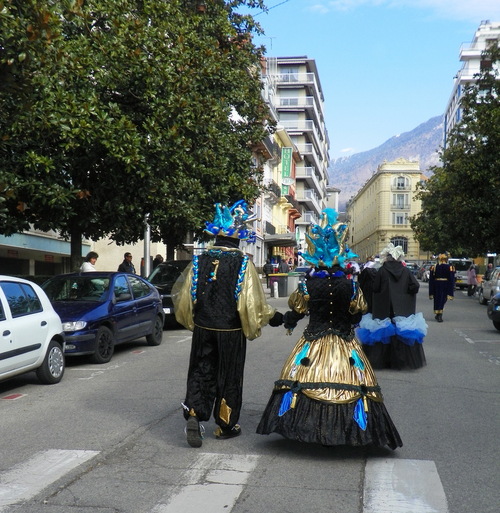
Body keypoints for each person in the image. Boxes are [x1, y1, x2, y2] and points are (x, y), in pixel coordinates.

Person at [257, 208, 402, 450]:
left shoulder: (308, 286)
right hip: (345, 342)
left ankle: (307, 428)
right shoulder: (351, 287)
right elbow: (359, 311)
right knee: (354, 381)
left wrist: (286, 320)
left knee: (302, 379)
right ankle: (347, 430)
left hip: (313, 341)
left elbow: (298, 312)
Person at [172, 200, 283, 448]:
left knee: (201, 370)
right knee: (229, 376)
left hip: (203, 328)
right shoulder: (242, 263)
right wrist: (272, 317)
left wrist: (195, 322)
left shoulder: (199, 262)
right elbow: (250, 303)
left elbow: (184, 297)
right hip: (230, 331)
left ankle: (194, 414)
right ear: (237, 240)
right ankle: (225, 424)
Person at [357, 243, 427, 370]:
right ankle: (400, 361)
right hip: (402, 307)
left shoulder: (382, 270)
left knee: (383, 334)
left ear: (387, 258)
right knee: (400, 333)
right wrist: (406, 292)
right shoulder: (406, 271)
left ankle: (383, 361)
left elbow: (375, 287)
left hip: (384, 307)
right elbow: (415, 286)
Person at [429, 253, 455, 322]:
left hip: (437, 285)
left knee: (438, 299)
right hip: (445, 285)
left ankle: (438, 314)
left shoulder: (434, 267)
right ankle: (439, 314)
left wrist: (431, 289)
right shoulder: (449, 267)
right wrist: (452, 287)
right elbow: (451, 278)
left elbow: (431, 278)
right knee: (443, 299)